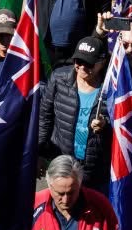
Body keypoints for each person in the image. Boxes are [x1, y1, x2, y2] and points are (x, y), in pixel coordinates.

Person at [38, 35, 112, 190]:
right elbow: (44, 117)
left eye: (89, 64)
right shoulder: (59, 78)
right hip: (63, 164)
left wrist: (105, 126)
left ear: (102, 62)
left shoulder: (112, 87)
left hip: (96, 170)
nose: (82, 67)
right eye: (78, 62)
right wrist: (38, 153)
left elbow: (123, 126)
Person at [28, 156, 123, 230]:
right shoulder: (34, 206)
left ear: (80, 184)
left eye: (71, 193)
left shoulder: (100, 205)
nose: (65, 200)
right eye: (60, 193)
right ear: (49, 186)